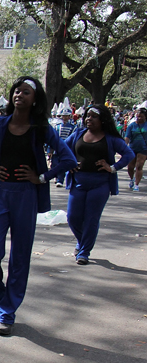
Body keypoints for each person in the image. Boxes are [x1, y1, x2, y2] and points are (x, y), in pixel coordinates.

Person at [0, 76, 76, 337]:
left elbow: (67, 158)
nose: (19, 95)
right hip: (0, 193)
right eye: (16, 91)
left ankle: (7, 312)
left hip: (26, 195)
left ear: (35, 100)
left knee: (20, 256)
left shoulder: (41, 129)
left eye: (26, 92)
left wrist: (41, 177)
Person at [63, 105, 134, 265]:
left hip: (100, 184)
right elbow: (63, 148)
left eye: (93, 116)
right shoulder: (78, 134)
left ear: (102, 120)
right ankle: (82, 243)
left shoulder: (111, 138)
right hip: (78, 182)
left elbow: (129, 154)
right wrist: (69, 163)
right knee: (73, 217)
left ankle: (84, 252)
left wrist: (113, 167)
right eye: (87, 116)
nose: (89, 119)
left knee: (91, 219)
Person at [124, 107, 147, 192]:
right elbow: (127, 137)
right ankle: (132, 179)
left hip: (144, 149)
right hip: (132, 148)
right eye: (138, 116)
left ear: (145, 117)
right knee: (130, 167)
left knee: (139, 166)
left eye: (141, 116)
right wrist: (124, 147)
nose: (139, 118)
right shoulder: (131, 125)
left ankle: (136, 184)